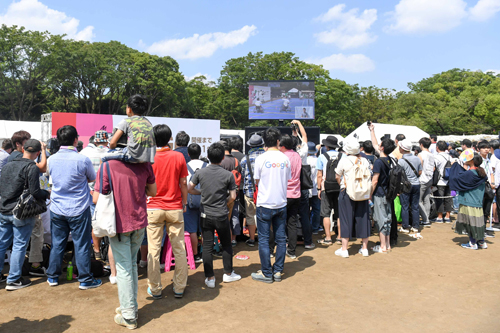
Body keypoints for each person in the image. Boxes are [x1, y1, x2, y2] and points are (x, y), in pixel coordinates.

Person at [93, 148, 156, 330]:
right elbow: (153, 191)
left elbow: (97, 198)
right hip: (139, 222)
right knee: (131, 266)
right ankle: (130, 307)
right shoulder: (144, 164)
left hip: (119, 223)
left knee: (123, 268)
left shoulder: (107, 166)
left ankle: (128, 315)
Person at [46, 125, 101, 290]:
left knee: (57, 243)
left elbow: (51, 179)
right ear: (75, 140)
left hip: (57, 208)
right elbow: (92, 178)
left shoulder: (51, 159)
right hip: (79, 208)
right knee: (82, 244)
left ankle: (53, 277)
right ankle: (85, 279)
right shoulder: (82, 159)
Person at [188, 142, 241, 288]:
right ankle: (228, 273)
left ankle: (210, 278)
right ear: (222, 157)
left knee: (207, 246)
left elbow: (189, 189)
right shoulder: (228, 175)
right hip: (222, 214)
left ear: (208, 156)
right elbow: (232, 196)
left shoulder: (200, 173)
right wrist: (224, 201)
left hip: (205, 215)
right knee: (226, 244)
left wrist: (202, 193)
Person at [0, 139, 50, 290]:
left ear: (23, 150)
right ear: (37, 153)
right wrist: (46, 193)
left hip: (4, 210)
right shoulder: (31, 167)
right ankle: (14, 279)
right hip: (21, 213)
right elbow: (35, 191)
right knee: (19, 245)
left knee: (2, 244)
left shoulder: (8, 164)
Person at [146, 124, 189, 299]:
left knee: (153, 249)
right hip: (175, 207)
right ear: (170, 138)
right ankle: (179, 287)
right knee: (179, 247)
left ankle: (155, 288)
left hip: (153, 208)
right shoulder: (178, 157)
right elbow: (184, 183)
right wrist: (184, 202)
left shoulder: (149, 158)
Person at [251, 128, 291, 283]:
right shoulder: (285, 158)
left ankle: (267, 272)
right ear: (278, 141)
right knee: (281, 239)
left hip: (264, 203)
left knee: (264, 239)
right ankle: (278, 272)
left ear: (264, 142)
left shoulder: (261, 158)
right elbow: (287, 179)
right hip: (281, 203)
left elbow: (257, 181)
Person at [334, 138, 372, 258]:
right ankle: (365, 248)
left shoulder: (344, 160)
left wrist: (342, 184)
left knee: (345, 219)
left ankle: (344, 249)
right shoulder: (365, 160)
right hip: (363, 193)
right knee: (364, 218)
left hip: (347, 192)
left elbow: (337, 175)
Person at [449, 150, 488, 250]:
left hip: (468, 202)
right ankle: (481, 242)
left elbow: (456, 179)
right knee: (478, 223)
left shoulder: (470, 174)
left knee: (470, 223)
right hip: (477, 202)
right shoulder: (481, 172)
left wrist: (454, 166)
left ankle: (472, 243)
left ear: (471, 160)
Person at [107, 94, 156, 164]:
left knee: (103, 156)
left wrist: (111, 151)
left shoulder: (127, 121)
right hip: (149, 157)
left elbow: (112, 142)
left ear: (129, 109)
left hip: (133, 156)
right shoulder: (148, 122)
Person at [371, 138, 397, 253]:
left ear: (382, 148)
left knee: (380, 219)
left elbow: (375, 180)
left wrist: (369, 194)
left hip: (379, 193)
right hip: (388, 193)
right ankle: (387, 244)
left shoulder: (378, 162)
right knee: (388, 218)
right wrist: (372, 130)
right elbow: (375, 144)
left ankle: (382, 246)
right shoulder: (389, 160)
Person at [292, 120, 314, 250]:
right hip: (303, 187)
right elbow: (305, 137)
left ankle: (290, 241)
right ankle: (308, 241)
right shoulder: (303, 152)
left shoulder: (287, 154)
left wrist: (293, 134)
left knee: (290, 217)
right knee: (305, 215)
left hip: (290, 188)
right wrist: (299, 124)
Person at [279, 133, 302, 259]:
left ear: (282, 145)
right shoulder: (297, 155)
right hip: (296, 193)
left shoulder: (282, 157)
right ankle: (291, 251)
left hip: (284, 193)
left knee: (278, 222)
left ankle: (275, 250)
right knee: (292, 222)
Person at [240, 133, 266, 247]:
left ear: (250, 146)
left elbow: (242, 174)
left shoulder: (245, 159)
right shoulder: (267, 157)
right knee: (266, 216)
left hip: (250, 191)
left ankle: (251, 239)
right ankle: (264, 238)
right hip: (265, 192)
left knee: (250, 215)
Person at [316, 136, 340, 245]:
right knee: (340, 214)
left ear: (327, 146)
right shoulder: (343, 156)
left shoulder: (322, 156)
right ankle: (340, 237)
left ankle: (328, 238)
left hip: (326, 187)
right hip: (340, 187)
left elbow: (319, 174)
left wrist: (319, 188)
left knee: (326, 213)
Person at [184, 143, 206, 262]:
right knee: (204, 229)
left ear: (188, 154)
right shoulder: (207, 166)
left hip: (190, 200)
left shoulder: (185, 166)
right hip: (205, 201)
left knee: (191, 229)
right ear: (200, 153)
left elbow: (183, 185)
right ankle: (205, 253)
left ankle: (195, 255)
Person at [397, 139, 422, 236]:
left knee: (405, 206)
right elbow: (420, 172)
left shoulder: (401, 161)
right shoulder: (417, 158)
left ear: (402, 149)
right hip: (416, 184)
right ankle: (415, 227)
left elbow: (398, 175)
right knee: (415, 206)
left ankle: (405, 226)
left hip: (406, 185)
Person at [219, 140, 241, 246]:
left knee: (223, 217)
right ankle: (233, 239)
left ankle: (224, 240)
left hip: (223, 193)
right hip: (234, 192)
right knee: (234, 215)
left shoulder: (221, 161)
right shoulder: (236, 160)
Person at [434, 141, 453, 223]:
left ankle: (440, 216)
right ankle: (448, 216)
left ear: (437, 147)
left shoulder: (437, 157)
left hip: (440, 181)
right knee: (449, 198)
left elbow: (434, 169)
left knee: (439, 199)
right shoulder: (450, 157)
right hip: (449, 180)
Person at [418, 137, 435, 227]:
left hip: (422, 179)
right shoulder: (431, 154)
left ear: (421, 144)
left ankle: (426, 219)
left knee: (419, 200)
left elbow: (419, 167)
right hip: (430, 179)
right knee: (426, 199)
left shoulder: (421, 155)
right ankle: (426, 219)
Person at [477, 140, 495, 224]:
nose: (486, 150)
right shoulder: (477, 160)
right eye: (483, 148)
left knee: (486, 209)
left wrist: (493, 183)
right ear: (479, 149)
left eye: (488, 148)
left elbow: (491, 173)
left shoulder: (489, 160)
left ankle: (483, 229)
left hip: (488, 186)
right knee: (479, 208)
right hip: (479, 186)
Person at [307, 142, 321, 234]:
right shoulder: (319, 160)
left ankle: (306, 227)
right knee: (316, 209)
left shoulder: (304, 160)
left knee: (305, 210)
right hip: (317, 188)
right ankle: (315, 228)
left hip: (307, 189)